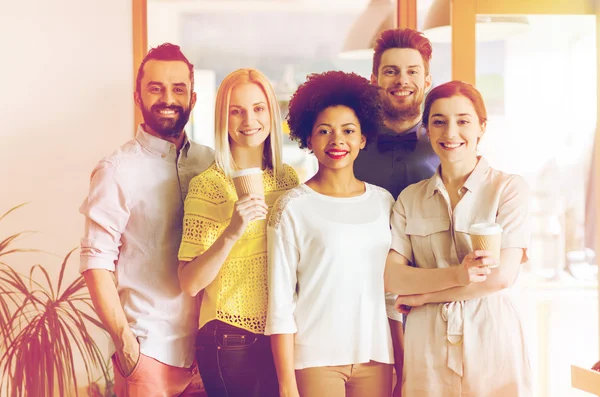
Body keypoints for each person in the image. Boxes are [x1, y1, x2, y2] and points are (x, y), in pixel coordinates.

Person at [80, 43, 213, 396]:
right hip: (149, 352)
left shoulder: (211, 163)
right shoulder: (117, 170)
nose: (167, 98)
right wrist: (126, 345)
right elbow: (96, 262)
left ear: (193, 98)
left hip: (209, 354)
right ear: (138, 97)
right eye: (156, 88)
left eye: (178, 88)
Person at [384, 81, 532, 396]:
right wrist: (456, 275)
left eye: (463, 120)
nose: (451, 132)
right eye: (439, 121)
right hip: (427, 342)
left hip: (491, 335)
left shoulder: (508, 190)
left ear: (482, 127)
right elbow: (393, 277)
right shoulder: (410, 199)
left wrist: (425, 295)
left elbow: (501, 278)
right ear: (427, 129)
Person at [265, 71, 403, 397]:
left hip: (376, 357)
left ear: (363, 138)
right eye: (324, 131)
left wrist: (402, 363)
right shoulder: (292, 207)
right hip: (314, 360)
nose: (337, 140)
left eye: (348, 131)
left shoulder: (384, 202)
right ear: (308, 140)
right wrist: (286, 386)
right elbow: (281, 304)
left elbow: (391, 296)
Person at [177, 68, 299, 397]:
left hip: (282, 337)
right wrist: (232, 230)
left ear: (272, 114)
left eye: (258, 108)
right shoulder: (208, 186)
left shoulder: (289, 180)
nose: (249, 120)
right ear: (223, 118)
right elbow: (189, 283)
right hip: (230, 340)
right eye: (237, 110)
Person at [354, 27, 440, 200]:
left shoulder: (446, 146)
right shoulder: (351, 147)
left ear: (427, 81)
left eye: (412, 72)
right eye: (391, 72)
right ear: (374, 80)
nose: (402, 80)